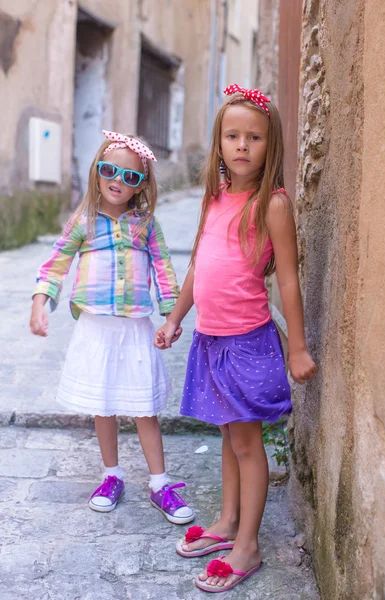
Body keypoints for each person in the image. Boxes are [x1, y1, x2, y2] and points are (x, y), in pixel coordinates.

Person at [154, 85, 317, 592]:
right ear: (219, 143)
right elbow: (199, 266)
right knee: (228, 434)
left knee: (247, 444)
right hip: (211, 338)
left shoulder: (272, 204)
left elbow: (288, 279)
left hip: (247, 342)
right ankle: (227, 522)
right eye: (233, 136)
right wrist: (176, 317)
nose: (242, 145)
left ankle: (248, 546)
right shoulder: (215, 197)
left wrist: (298, 346)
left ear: (272, 146)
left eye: (254, 137)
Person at [30, 130, 193, 524]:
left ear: (141, 186)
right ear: (97, 173)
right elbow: (56, 263)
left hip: (135, 327)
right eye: (110, 171)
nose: (118, 180)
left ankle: (159, 482)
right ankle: (111, 475)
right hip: (96, 327)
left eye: (131, 176)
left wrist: (172, 317)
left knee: (143, 407)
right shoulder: (83, 221)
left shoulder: (147, 225)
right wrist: (40, 302)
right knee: (103, 405)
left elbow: (165, 270)